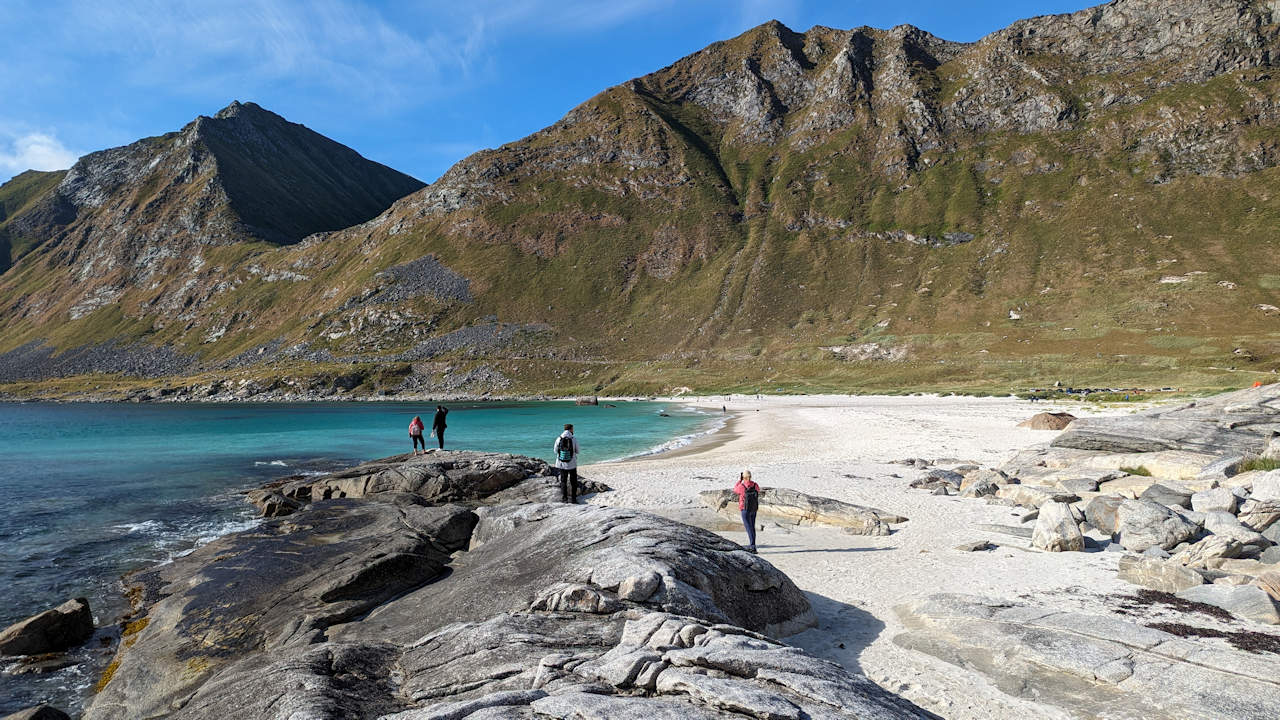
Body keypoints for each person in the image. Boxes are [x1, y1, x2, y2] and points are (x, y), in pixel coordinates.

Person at [733, 470, 760, 553]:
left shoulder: (742, 486)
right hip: (753, 508)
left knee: (748, 527)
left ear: (743, 477)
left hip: (745, 509)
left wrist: (739, 480)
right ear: (750, 476)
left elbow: (735, 490)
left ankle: (752, 546)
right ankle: (753, 545)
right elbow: (758, 490)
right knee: (752, 527)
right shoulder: (755, 485)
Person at [554, 423, 580, 503]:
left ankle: (564, 499)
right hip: (572, 464)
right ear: (570, 429)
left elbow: (555, 451)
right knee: (573, 482)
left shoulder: (559, 438)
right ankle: (573, 499)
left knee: (563, 481)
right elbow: (578, 451)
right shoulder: (573, 439)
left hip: (561, 464)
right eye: (573, 429)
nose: (573, 430)